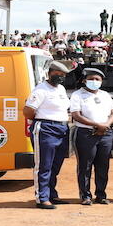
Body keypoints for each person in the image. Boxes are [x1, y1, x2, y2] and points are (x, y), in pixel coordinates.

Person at [24, 61, 71, 209]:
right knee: (44, 164)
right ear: (50, 73)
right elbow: (28, 111)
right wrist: (40, 121)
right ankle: (42, 197)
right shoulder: (40, 90)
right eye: (57, 74)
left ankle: (51, 194)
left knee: (55, 164)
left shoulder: (61, 89)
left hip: (62, 128)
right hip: (46, 128)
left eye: (63, 75)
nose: (60, 77)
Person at [70, 68, 113, 205]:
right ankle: (85, 195)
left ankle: (101, 194)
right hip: (86, 133)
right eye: (91, 79)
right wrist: (97, 125)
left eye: (97, 79)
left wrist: (106, 125)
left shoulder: (105, 95)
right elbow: (76, 115)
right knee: (85, 165)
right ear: (84, 80)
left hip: (105, 134)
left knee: (103, 165)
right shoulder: (77, 95)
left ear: (102, 82)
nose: (94, 81)